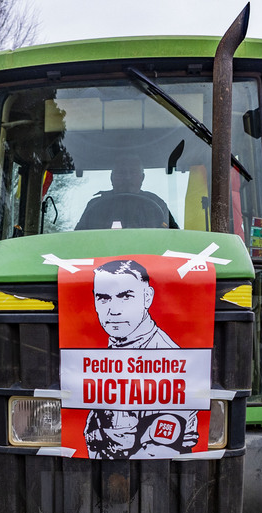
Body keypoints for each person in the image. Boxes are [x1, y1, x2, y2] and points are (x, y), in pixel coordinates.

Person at [83, 259, 197, 458]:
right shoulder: (117, 347)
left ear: (147, 297)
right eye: (103, 298)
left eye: (125, 297)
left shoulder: (168, 359)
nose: (114, 310)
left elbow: (158, 451)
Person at [76, 154, 172, 230]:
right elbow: (78, 239)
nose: (127, 177)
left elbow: (173, 236)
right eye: (121, 172)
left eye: (133, 172)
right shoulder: (95, 207)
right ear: (112, 178)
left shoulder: (157, 204)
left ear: (142, 178)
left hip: (149, 253)